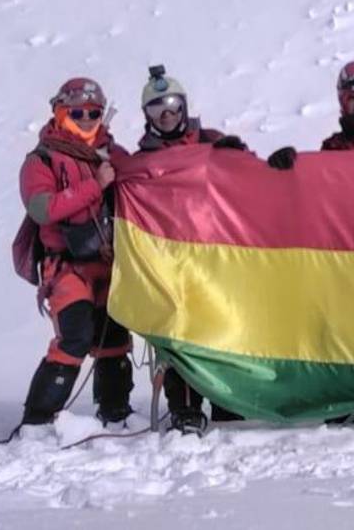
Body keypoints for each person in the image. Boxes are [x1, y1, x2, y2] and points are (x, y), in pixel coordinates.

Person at [135, 66, 247, 435]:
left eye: (170, 106)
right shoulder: (144, 159)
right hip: (171, 262)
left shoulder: (212, 142)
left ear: (183, 106)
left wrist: (241, 157)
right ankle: (184, 407)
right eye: (156, 110)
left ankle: (228, 402)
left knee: (223, 328)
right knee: (178, 335)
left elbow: (248, 181)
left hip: (215, 256)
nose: (165, 115)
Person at [18, 78, 133, 426]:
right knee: (75, 336)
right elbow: (42, 209)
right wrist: (94, 186)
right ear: (60, 112)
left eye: (94, 112)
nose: (86, 119)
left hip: (108, 262)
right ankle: (38, 420)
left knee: (113, 338)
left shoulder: (112, 154)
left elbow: (149, 176)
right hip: (66, 266)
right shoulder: (41, 160)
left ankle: (115, 414)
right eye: (77, 112)